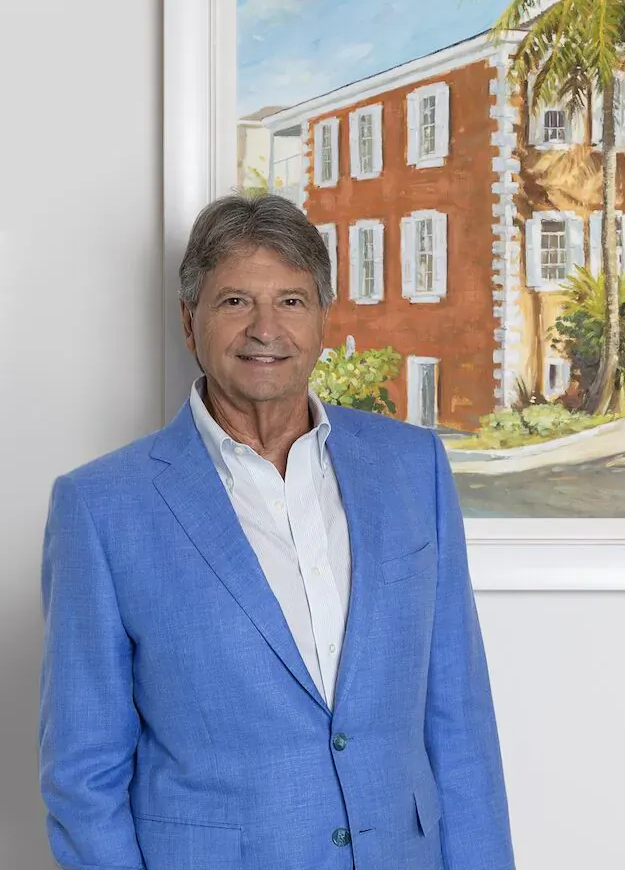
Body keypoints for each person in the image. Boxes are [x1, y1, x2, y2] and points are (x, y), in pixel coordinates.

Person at [38, 193, 516, 870]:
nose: (266, 329)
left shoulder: (413, 467)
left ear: (324, 318)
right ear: (189, 321)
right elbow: (82, 776)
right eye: (235, 301)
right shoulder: (101, 507)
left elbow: (460, 720)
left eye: (291, 301)